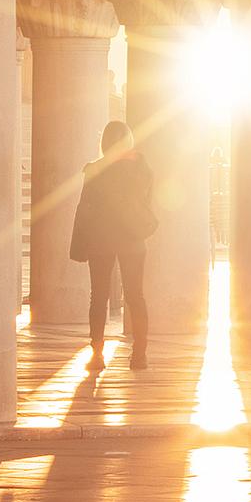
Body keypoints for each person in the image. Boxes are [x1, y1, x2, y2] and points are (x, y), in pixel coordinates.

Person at [69, 117, 154, 366]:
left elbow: (85, 209)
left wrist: (80, 244)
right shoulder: (142, 169)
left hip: (101, 238)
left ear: (105, 142)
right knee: (135, 296)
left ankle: (97, 354)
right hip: (133, 238)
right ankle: (139, 354)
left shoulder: (95, 169)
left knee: (99, 296)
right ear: (128, 140)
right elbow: (147, 203)